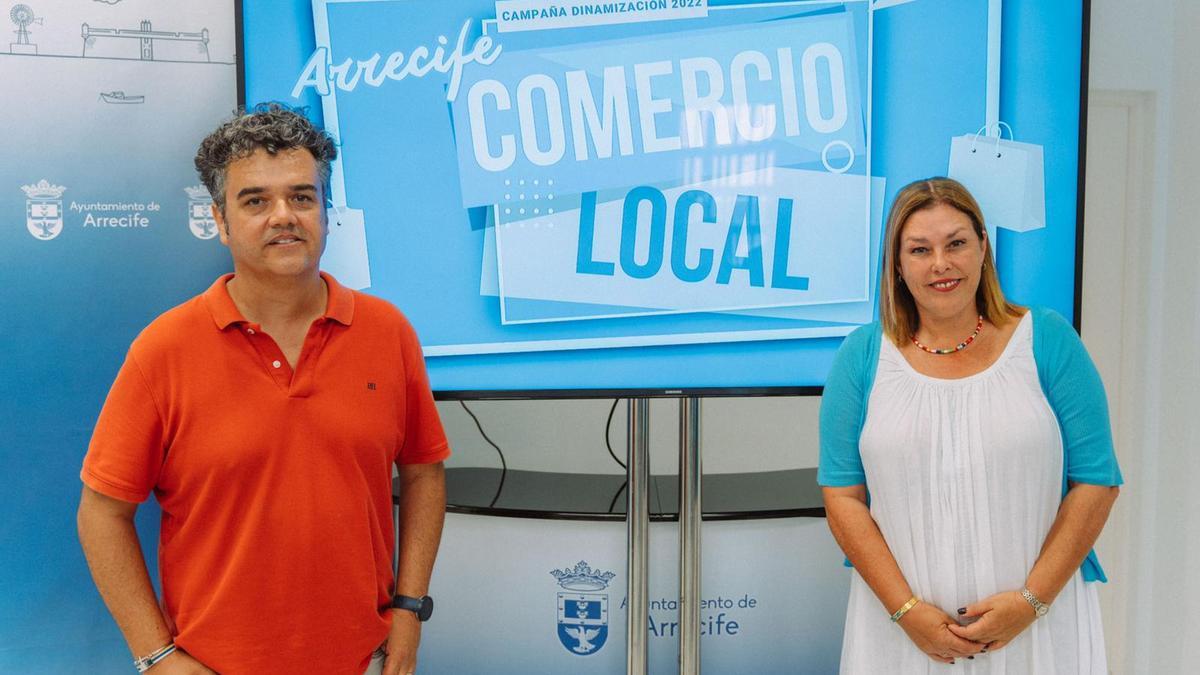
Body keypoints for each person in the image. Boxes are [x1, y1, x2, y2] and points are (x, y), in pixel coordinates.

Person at [76, 104, 450, 675]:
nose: (284, 216)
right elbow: (102, 514)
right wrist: (156, 658)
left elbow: (424, 473)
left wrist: (408, 608)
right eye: (255, 201)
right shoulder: (163, 350)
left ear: (326, 212)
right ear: (221, 221)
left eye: (302, 197)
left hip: (363, 660)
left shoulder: (388, 332)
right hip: (213, 665)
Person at [818, 177, 1122, 673]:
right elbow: (843, 499)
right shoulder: (861, 356)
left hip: (1038, 630)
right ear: (897, 264)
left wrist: (1030, 604)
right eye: (920, 249)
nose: (941, 263)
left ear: (983, 247)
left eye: (956, 243)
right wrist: (908, 613)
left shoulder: (1046, 339)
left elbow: (1097, 481)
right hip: (902, 635)